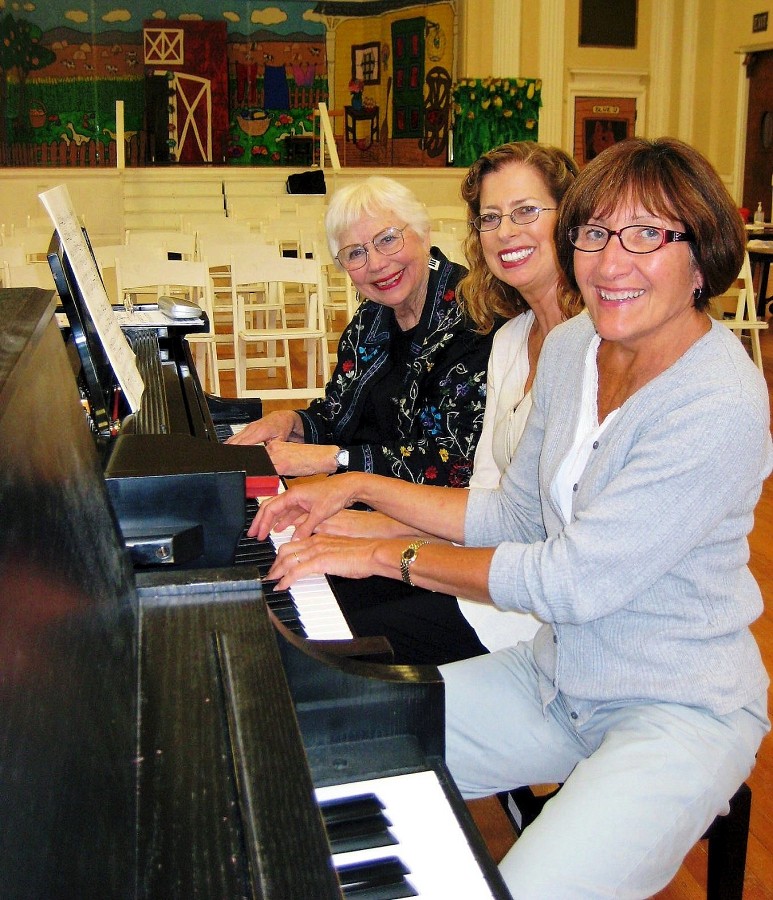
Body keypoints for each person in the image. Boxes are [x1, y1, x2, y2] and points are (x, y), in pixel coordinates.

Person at [251, 137, 772, 897]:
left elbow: (567, 580)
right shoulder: (574, 350)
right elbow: (516, 511)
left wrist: (379, 554)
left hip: (673, 707)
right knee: (314, 746)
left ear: (702, 257)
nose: (609, 261)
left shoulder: (717, 400)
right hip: (555, 675)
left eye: (647, 235)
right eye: (593, 233)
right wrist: (360, 495)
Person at [315, 141, 582, 659]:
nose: (506, 232)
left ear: (570, 218)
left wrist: (381, 543)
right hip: (481, 574)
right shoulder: (509, 338)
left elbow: (540, 541)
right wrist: (371, 528)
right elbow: (489, 501)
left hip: (536, 614)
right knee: (314, 609)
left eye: (527, 211)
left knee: (331, 643)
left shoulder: (592, 346)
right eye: (491, 218)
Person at [228, 175, 496, 488]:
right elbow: (336, 415)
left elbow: (454, 461)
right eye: (355, 253)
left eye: (388, 239)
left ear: (424, 235)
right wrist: (291, 422)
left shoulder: (473, 321)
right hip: (361, 500)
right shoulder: (370, 317)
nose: (377, 264)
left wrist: (334, 458)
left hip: (430, 522)